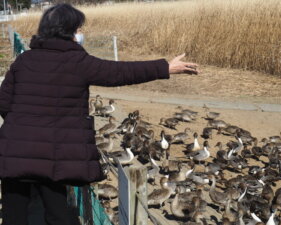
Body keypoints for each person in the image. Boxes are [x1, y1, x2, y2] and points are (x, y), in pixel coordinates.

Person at [0, 3, 198, 225]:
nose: (80, 34)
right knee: (58, 212)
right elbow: (119, 73)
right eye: (78, 29)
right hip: (54, 156)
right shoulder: (78, 62)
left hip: (13, 152)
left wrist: (23, 129)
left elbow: (4, 103)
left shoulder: (24, 60)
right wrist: (164, 68)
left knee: (13, 214)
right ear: (68, 31)